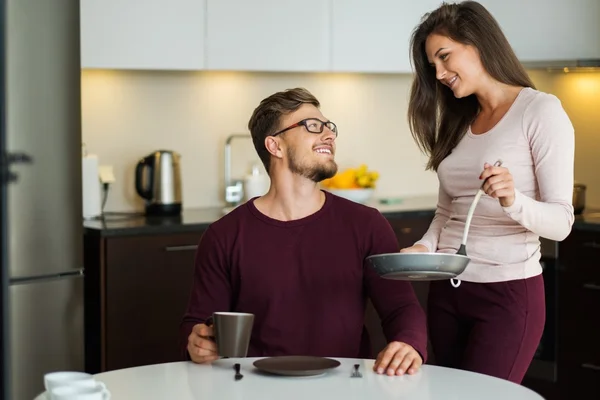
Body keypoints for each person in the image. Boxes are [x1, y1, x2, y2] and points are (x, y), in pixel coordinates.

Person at [180, 87, 428, 376]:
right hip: (255, 386)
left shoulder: (366, 224)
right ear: (275, 146)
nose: (329, 135)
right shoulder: (224, 235)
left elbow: (401, 308)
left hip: (345, 385)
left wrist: (409, 342)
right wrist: (196, 343)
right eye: (313, 126)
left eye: (329, 127)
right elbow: (197, 322)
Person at [402, 1, 575, 384]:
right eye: (433, 66)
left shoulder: (540, 111)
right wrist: (424, 248)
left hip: (508, 295)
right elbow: (447, 214)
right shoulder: (459, 121)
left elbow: (562, 223)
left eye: (445, 57)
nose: (441, 73)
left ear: (477, 43)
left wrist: (513, 200)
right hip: (447, 292)